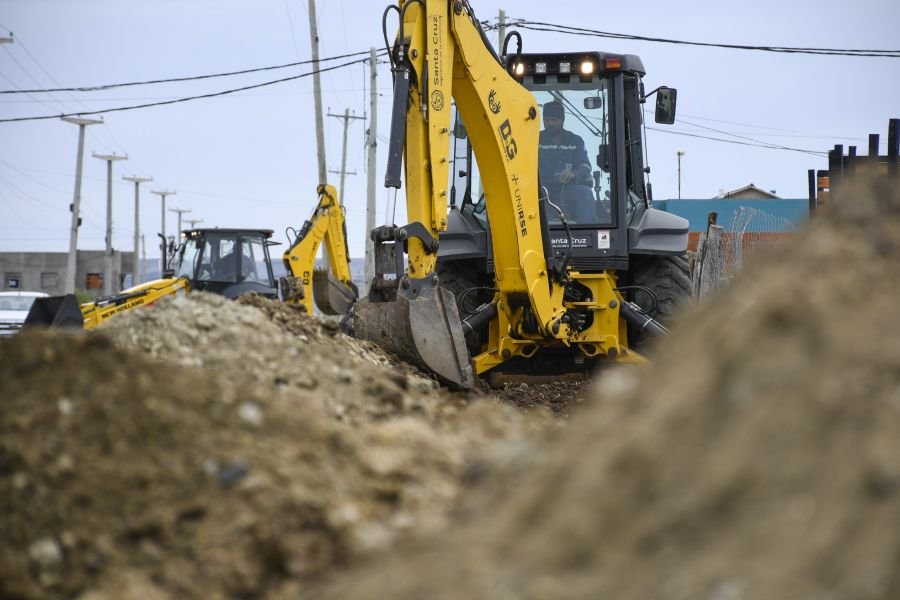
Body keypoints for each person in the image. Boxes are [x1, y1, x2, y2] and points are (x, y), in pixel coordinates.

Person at [538, 100, 596, 223]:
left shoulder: (575, 141)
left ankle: (584, 233)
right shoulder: (536, 141)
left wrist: (574, 174)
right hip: (542, 191)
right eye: (547, 120)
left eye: (554, 120)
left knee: (585, 193)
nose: (550, 124)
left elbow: (585, 166)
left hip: (567, 190)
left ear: (562, 120)